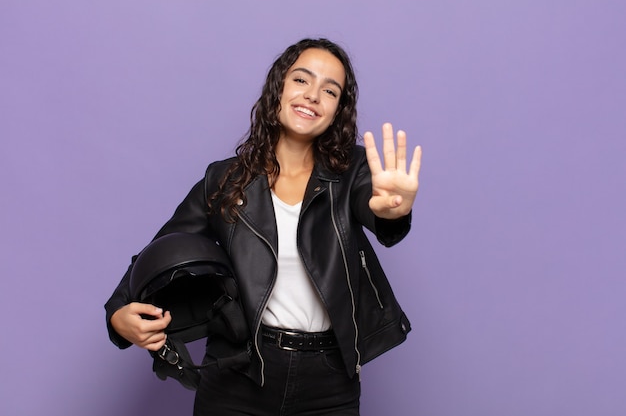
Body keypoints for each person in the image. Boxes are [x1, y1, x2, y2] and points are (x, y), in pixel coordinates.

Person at [105, 38, 422, 416]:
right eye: (302, 80)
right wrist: (118, 312)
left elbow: (378, 210)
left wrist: (393, 210)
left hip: (329, 379)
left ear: (338, 110)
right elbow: (162, 250)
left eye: (330, 90)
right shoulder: (224, 180)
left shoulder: (353, 172)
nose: (313, 96)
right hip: (238, 372)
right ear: (279, 89)